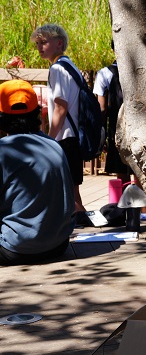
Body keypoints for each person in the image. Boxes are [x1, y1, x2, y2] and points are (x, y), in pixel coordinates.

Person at [0, 80, 75, 265]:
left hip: (15, 248)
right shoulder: (55, 146)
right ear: (37, 113)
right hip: (58, 244)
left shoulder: (3, 150)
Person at [33, 24, 90, 225]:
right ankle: (79, 221)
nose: (39, 47)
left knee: (69, 190)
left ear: (59, 43)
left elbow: (60, 107)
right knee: (73, 190)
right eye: (37, 43)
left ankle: (75, 223)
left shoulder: (57, 69)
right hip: (72, 135)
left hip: (65, 136)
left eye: (44, 42)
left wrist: (49, 139)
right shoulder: (69, 65)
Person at [93, 44, 134, 182]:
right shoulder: (139, 71)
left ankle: (124, 195)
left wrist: (102, 134)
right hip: (138, 127)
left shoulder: (104, 73)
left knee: (121, 171)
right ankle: (139, 195)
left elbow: (102, 108)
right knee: (139, 171)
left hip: (116, 129)